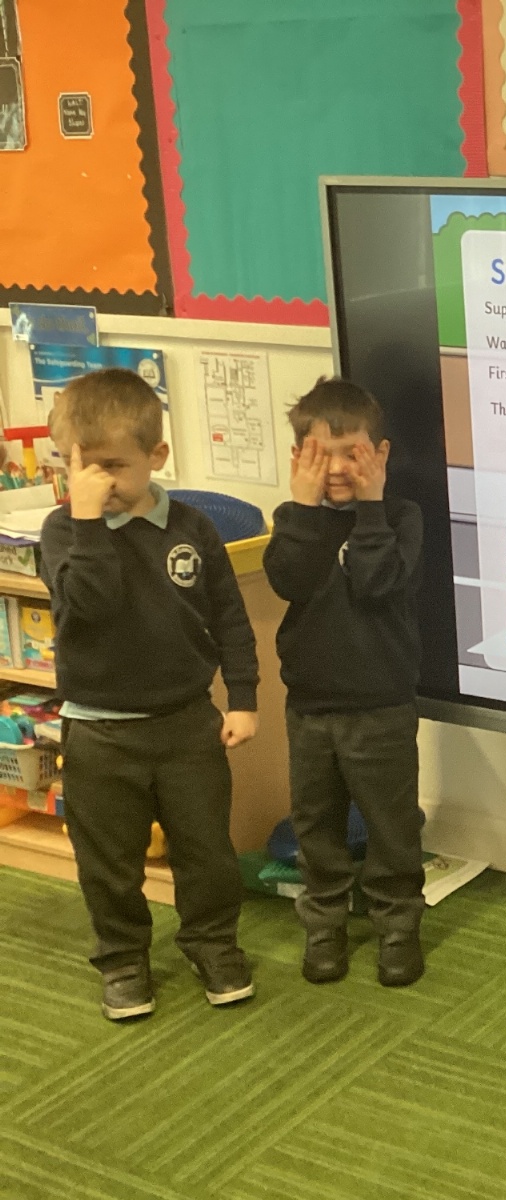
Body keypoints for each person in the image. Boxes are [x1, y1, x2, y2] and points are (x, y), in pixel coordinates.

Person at [40, 368, 259, 1021]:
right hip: (99, 732)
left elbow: (229, 619)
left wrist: (243, 698)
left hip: (186, 723)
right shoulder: (63, 531)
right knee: (108, 863)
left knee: (206, 852)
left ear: (156, 456)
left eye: (112, 466)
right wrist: (87, 522)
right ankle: (122, 960)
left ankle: (212, 944)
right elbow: (90, 605)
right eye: (78, 465)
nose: (95, 481)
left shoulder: (192, 528)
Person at [263, 378, 426, 987]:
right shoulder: (293, 520)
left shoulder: (402, 517)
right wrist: (304, 510)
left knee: (391, 826)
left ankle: (398, 926)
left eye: (351, 453)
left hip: (381, 706)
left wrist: (371, 507)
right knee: (316, 827)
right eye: (319, 454)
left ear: (379, 455)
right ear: (297, 458)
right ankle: (324, 925)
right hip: (310, 708)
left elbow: (378, 583)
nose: (335, 468)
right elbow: (291, 581)